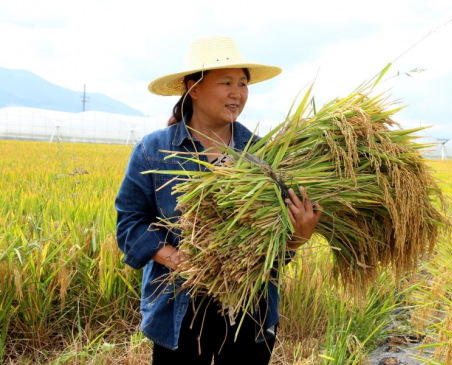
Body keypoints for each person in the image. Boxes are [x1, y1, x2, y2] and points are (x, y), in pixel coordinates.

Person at [115, 35, 322, 364]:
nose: (237, 93)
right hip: (178, 311)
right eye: (226, 82)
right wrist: (175, 258)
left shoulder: (263, 156)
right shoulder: (153, 151)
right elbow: (129, 223)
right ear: (193, 88)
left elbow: (273, 245)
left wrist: (297, 238)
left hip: (249, 311)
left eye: (242, 83)